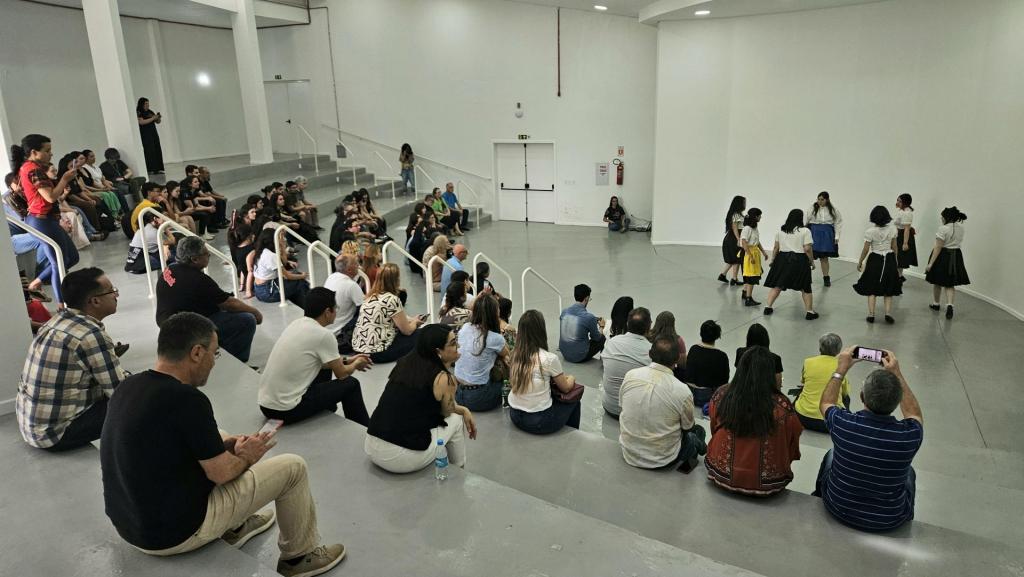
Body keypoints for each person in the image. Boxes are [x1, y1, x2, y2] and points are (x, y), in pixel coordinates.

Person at [100, 312, 347, 576]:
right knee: (293, 468)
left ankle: (235, 524)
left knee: (221, 434)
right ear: (196, 352)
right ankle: (299, 558)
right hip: (171, 535)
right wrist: (248, 456)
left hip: (129, 524)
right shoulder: (188, 400)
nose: (213, 363)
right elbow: (222, 473)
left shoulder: (130, 384)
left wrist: (229, 445)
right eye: (214, 354)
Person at [814, 347, 923, 532]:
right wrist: (897, 373)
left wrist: (841, 369)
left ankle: (818, 494)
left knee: (832, 455)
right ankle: (907, 515)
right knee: (909, 473)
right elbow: (913, 413)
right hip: (889, 520)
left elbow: (826, 403)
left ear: (862, 396)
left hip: (838, 508)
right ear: (897, 402)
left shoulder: (843, 424)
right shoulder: (909, 436)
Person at [17, 267, 126, 451]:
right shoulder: (90, 335)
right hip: (56, 433)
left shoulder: (56, 321)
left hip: (32, 424)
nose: (116, 295)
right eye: (112, 291)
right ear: (95, 301)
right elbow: (119, 391)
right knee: (139, 402)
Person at [365, 325, 477, 473]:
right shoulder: (444, 379)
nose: (458, 346)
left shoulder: (404, 363)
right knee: (456, 420)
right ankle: (460, 469)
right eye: (452, 343)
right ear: (438, 352)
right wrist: (463, 411)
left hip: (372, 444)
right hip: (399, 459)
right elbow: (447, 412)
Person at [258, 288, 372, 426]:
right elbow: (342, 374)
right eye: (335, 308)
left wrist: (347, 360)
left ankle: (325, 407)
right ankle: (364, 427)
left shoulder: (297, 324)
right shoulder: (324, 335)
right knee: (351, 384)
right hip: (286, 410)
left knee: (323, 365)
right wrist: (356, 364)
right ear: (327, 312)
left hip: (266, 405)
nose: (336, 311)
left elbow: (319, 360)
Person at [706, 346, 803, 496]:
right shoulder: (783, 407)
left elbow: (714, 428)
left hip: (719, 474)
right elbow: (792, 445)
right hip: (769, 485)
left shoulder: (721, 395)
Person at [156, 237, 262, 363]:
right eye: (206, 254)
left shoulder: (171, 268)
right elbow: (229, 304)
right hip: (184, 329)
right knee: (246, 320)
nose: (209, 255)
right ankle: (236, 362)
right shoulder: (197, 279)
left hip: (167, 321)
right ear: (194, 259)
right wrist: (255, 312)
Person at [10, 134, 82, 304]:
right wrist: (64, 179)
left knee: (71, 257)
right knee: (59, 261)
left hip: (44, 219)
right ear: (34, 152)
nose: (51, 154)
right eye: (47, 151)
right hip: (41, 220)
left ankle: (37, 282)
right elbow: (50, 197)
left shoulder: (26, 168)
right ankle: (62, 305)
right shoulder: (33, 170)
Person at [619, 336, 706, 471]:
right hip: (663, 459)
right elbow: (687, 427)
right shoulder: (682, 391)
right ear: (677, 359)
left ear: (650, 354)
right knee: (699, 431)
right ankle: (696, 454)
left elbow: (623, 406)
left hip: (629, 452)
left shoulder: (630, 375)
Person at [508, 310, 582, 434]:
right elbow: (566, 388)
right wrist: (572, 378)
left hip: (515, 415)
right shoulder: (549, 358)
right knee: (575, 399)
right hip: (538, 421)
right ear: (541, 330)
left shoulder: (514, 354)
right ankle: (572, 435)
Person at [352, 263, 425, 363]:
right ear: (396, 280)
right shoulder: (392, 299)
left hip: (359, 350)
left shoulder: (369, 297)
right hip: (378, 353)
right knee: (422, 333)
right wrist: (415, 322)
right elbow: (407, 331)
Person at [453, 295, 509, 411]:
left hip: (458, 393)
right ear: (494, 314)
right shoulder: (494, 338)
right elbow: (507, 353)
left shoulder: (465, 327)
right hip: (480, 397)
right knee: (506, 364)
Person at [763, 208, 820, 320]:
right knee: (805, 287)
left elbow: (776, 248)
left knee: (778, 284)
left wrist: (773, 260)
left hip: (782, 259)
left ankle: (768, 307)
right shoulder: (805, 231)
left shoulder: (781, 231)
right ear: (800, 218)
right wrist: (812, 261)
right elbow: (807, 248)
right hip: (799, 260)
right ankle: (809, 312)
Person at [793, 333, 850, 433]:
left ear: (820, 348)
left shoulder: (808, 362)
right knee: (845, 398)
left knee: (801, 391)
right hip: (830, 420)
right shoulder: (841, 366)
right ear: (838, 350)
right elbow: (845, 393)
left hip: (803, 417)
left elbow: (803, 381)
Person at [854, 205, 902, 324]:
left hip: (875, 259)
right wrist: (895, 261)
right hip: (889, 258)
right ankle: (887, 313)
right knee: (889, 288)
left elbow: (865, 249)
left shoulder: (870, 232)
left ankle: (871, 314)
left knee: (872, 288)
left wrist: (860, 261)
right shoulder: (893, 229)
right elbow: (895, 247)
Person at [601, 308, 653, 417]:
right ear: (648, 327)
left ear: (628, 324)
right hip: (633, 413)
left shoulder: (612, 342)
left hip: (609, 405)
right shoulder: (651, 351)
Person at [925, 207, 970, 319]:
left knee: (937, 282)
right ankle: (950, 305)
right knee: (950, 284)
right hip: (956, 256)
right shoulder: (961, 228)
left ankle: (936, 304)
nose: (941, 218)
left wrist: (930, 264)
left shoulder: (943, 229)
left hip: (943, 256)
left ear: (947, 217)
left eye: (942, 217)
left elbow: (938, 247)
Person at [253, 227, 310, 307]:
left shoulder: (261, 251)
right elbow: (288, 276)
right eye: (278, 238)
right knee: (300, 283)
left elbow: (284, 262)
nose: (280, 239)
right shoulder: (270, 255)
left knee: (295, 276)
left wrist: (282, 245)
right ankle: (309, 307)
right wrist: (303, 276)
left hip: (259, 289)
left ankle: (304, 306)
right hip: (268, 291)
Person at [323, 253, 365, 352]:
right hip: (340, 334)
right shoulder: (351, 285)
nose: (359, 266)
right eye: (356, 263)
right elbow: (365, 310)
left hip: (329, 330)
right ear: (349, 270)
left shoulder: (332, 277)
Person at [684, 320, 730, 408]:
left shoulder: (693, 349)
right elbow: (724, 381)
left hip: (690, 394)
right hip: (709, 397)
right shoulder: (721, 356)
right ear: (717, 336)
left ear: (701, 333)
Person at [559, 283, 606, 363]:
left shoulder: (564, 312)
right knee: (602, 338)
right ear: (587, 298)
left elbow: (577, 319)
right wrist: (601, 326)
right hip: (579, 356)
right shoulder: (589, 317)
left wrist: (593, 319)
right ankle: (603, 361)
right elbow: (597, 338)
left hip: (564, 352)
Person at [805, 191, 842, 286]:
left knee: (824, 257)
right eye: (818, 199)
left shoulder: (833, 210)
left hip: (827, 234)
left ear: (827, 200)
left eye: (822, 199)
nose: (820, 201)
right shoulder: (812, 208)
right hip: (814, 233)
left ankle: (826, 277)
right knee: (808, 256)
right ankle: (806, 277)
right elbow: (806, 220)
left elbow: (838, 223)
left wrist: (837, 236)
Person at [125, 208, 175, 274]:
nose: (165, 219)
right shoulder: (153, 232)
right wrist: (165, 227)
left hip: (133, 263)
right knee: (175, 256)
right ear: (155, 219)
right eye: (163, 217)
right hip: (139, 264)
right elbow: (173, 241)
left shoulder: (144, 228)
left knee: (169, 251)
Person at [734, 323, 783, 389]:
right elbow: (778, 386)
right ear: (766, 339)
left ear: (748, 338)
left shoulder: (740, 352)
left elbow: (738, 376)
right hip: (765, 394)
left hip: (743, 392)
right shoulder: (775, 359)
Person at [739, 208, 767, 307]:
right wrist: (750, 256)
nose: (761, 217)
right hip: (748, 253)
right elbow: (744, 242)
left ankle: (745, 292)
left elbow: (757, 241)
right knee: (751, 276)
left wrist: (763, 252)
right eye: (760, 215)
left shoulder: (754, 228)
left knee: (749, 275)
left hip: (753, 251)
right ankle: (748, 298)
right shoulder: (747, 228)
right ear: (755, 216)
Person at [649, 311, 687, 383]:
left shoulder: (649, 336)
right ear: (673, 323)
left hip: (650, 368)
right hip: (669, 374)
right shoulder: (678, 340)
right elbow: (682, 364)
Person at [718, 195, 746, 285]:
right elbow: (735, 228)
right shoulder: (735, 215)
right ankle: (734, 279)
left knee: (734, 259)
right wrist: (738, 239)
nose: (745, 204)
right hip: (733, 239)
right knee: (736, 259)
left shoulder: (738, 214)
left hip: (733, 238)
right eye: (744, 202)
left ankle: (724, 276)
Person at [136, 97, 164, 174]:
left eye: (148, 103)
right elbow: (141, 122)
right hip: (145, 134)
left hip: (153, 133)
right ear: (141, 104)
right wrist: (153, 118)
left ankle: (158, 168)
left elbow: (157, 122)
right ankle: (150, 169)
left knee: (156, 149)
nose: (147, 105)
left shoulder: (150, 111)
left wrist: (158, 118)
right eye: (145, 104)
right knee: (149, 151)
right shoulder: (139, 112)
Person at [894, 193, 917, 283]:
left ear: (905, 202)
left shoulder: (907, 213)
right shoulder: (902, 211)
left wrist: (905, 243)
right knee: (898, 258)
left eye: (900, 201)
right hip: (899, 235)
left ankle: (898, 277)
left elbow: (906, 229)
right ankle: (898, 277)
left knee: (900, 258)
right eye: (897, 200)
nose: (897, 202)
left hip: (903, 237)